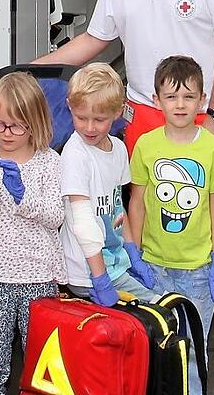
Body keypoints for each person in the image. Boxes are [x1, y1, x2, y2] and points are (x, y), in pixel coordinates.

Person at [33, 0, 214, 153]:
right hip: (142, 111)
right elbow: (94, 39)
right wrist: (27, 71)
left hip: (199, 112)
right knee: (141, 197)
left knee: (197, 197)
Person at [128, 56, 214, 395]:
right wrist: (134, 251)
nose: (180, 104)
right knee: (154, 347)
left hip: (198, 271)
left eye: (189, 96)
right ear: (156, 99)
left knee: (192, 350)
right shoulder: (146, 145)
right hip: (154, 269)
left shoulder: (211, 148)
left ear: (202, 100)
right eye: (172, 96)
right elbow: (137, 201)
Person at [0, 72, 66, 395]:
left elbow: (55, 217)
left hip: (39, 277)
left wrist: (23, 198)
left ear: (34, 123)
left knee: (41, 366)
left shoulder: (50, 163)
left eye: (15, 126)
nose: (5, 133)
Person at [59, 63, 157, 305]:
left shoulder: (119, 149)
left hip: (113, 264)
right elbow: (82, 222)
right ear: (70, 106)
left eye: (99, 119)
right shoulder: (75, 154)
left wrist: (132, 252)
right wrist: (100, 278)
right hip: (87, 273)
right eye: (81, 118)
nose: (89, 127)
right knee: (160, 308)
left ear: (118, 112)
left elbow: (117, 207)